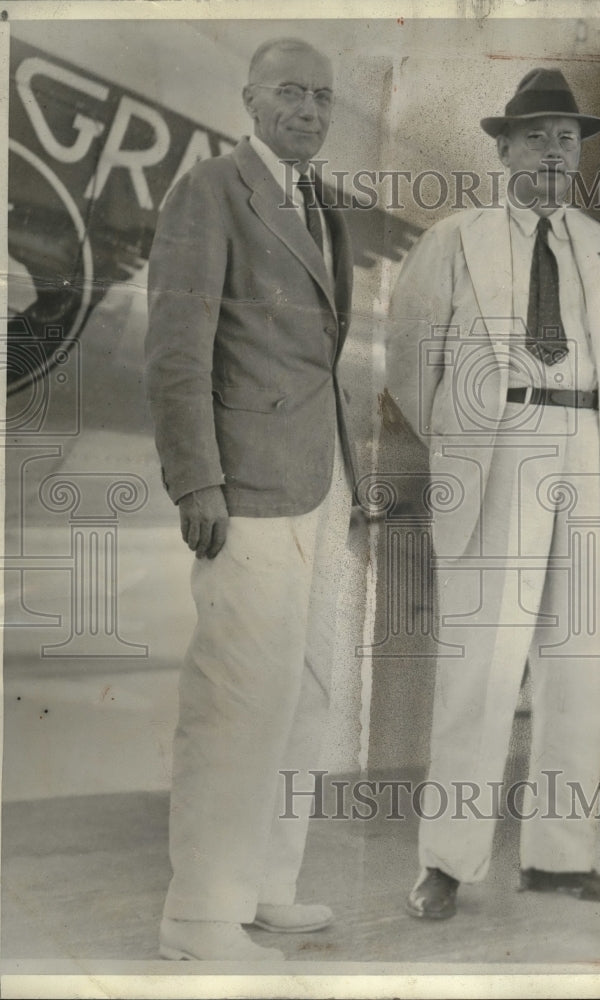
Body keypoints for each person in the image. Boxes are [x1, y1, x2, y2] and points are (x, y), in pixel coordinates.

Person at [385, 68, 600, 919]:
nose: (555, 150)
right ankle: (448, 863)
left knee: (575, 667)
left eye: (568, 137)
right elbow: (410, 358)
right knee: (482, 669)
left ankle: (559, 860)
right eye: (537, 135)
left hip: (589, 455)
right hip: (500, 447)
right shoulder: (456, 237)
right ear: (502, 148)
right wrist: (466, 441)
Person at [145, 37, 354, 960]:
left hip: (321, 480)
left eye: (321, 96)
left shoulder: (322, 202)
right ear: (249, 99)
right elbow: (176, 350)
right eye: (288, 93)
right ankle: (198, 919)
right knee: (237, 696)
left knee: (306, 692)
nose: (306, 110)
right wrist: (197, 480)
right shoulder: (209, 191)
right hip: (247, 486)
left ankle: (268, 887)